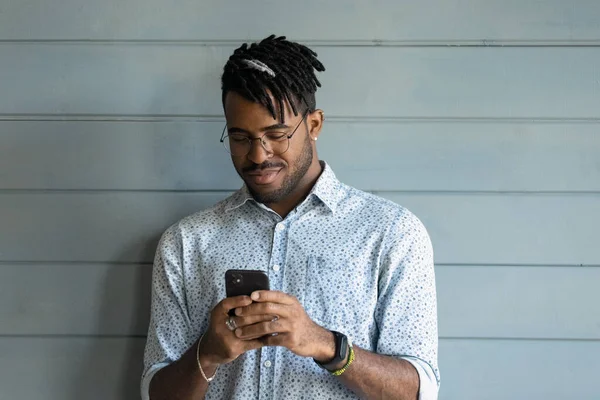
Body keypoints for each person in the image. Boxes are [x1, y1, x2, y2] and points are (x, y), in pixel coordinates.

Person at [141, 35, 439, 400]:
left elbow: (419, 391)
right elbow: (156, 394)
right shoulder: (186, 243)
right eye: (240, 137)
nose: (257, 155)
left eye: (276, 134)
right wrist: (208, 353)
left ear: (314, 125)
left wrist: (326, 345)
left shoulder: (391, 233)